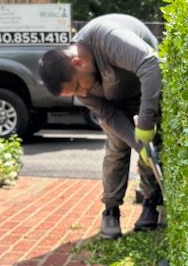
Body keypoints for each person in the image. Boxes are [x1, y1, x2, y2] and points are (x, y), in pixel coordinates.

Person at [38, 13, 163, 239]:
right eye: (74, 94)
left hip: (146, 89)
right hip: (114, 102)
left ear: (78, 63)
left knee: (151, 144)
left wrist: (145, 125)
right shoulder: (80, 80)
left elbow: (151, 65)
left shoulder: (107, 37)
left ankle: (151, 203)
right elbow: (107, 114)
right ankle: (111, 209)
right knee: (118, 147)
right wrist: (137, 143)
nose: (83, 95)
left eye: (77, 87)